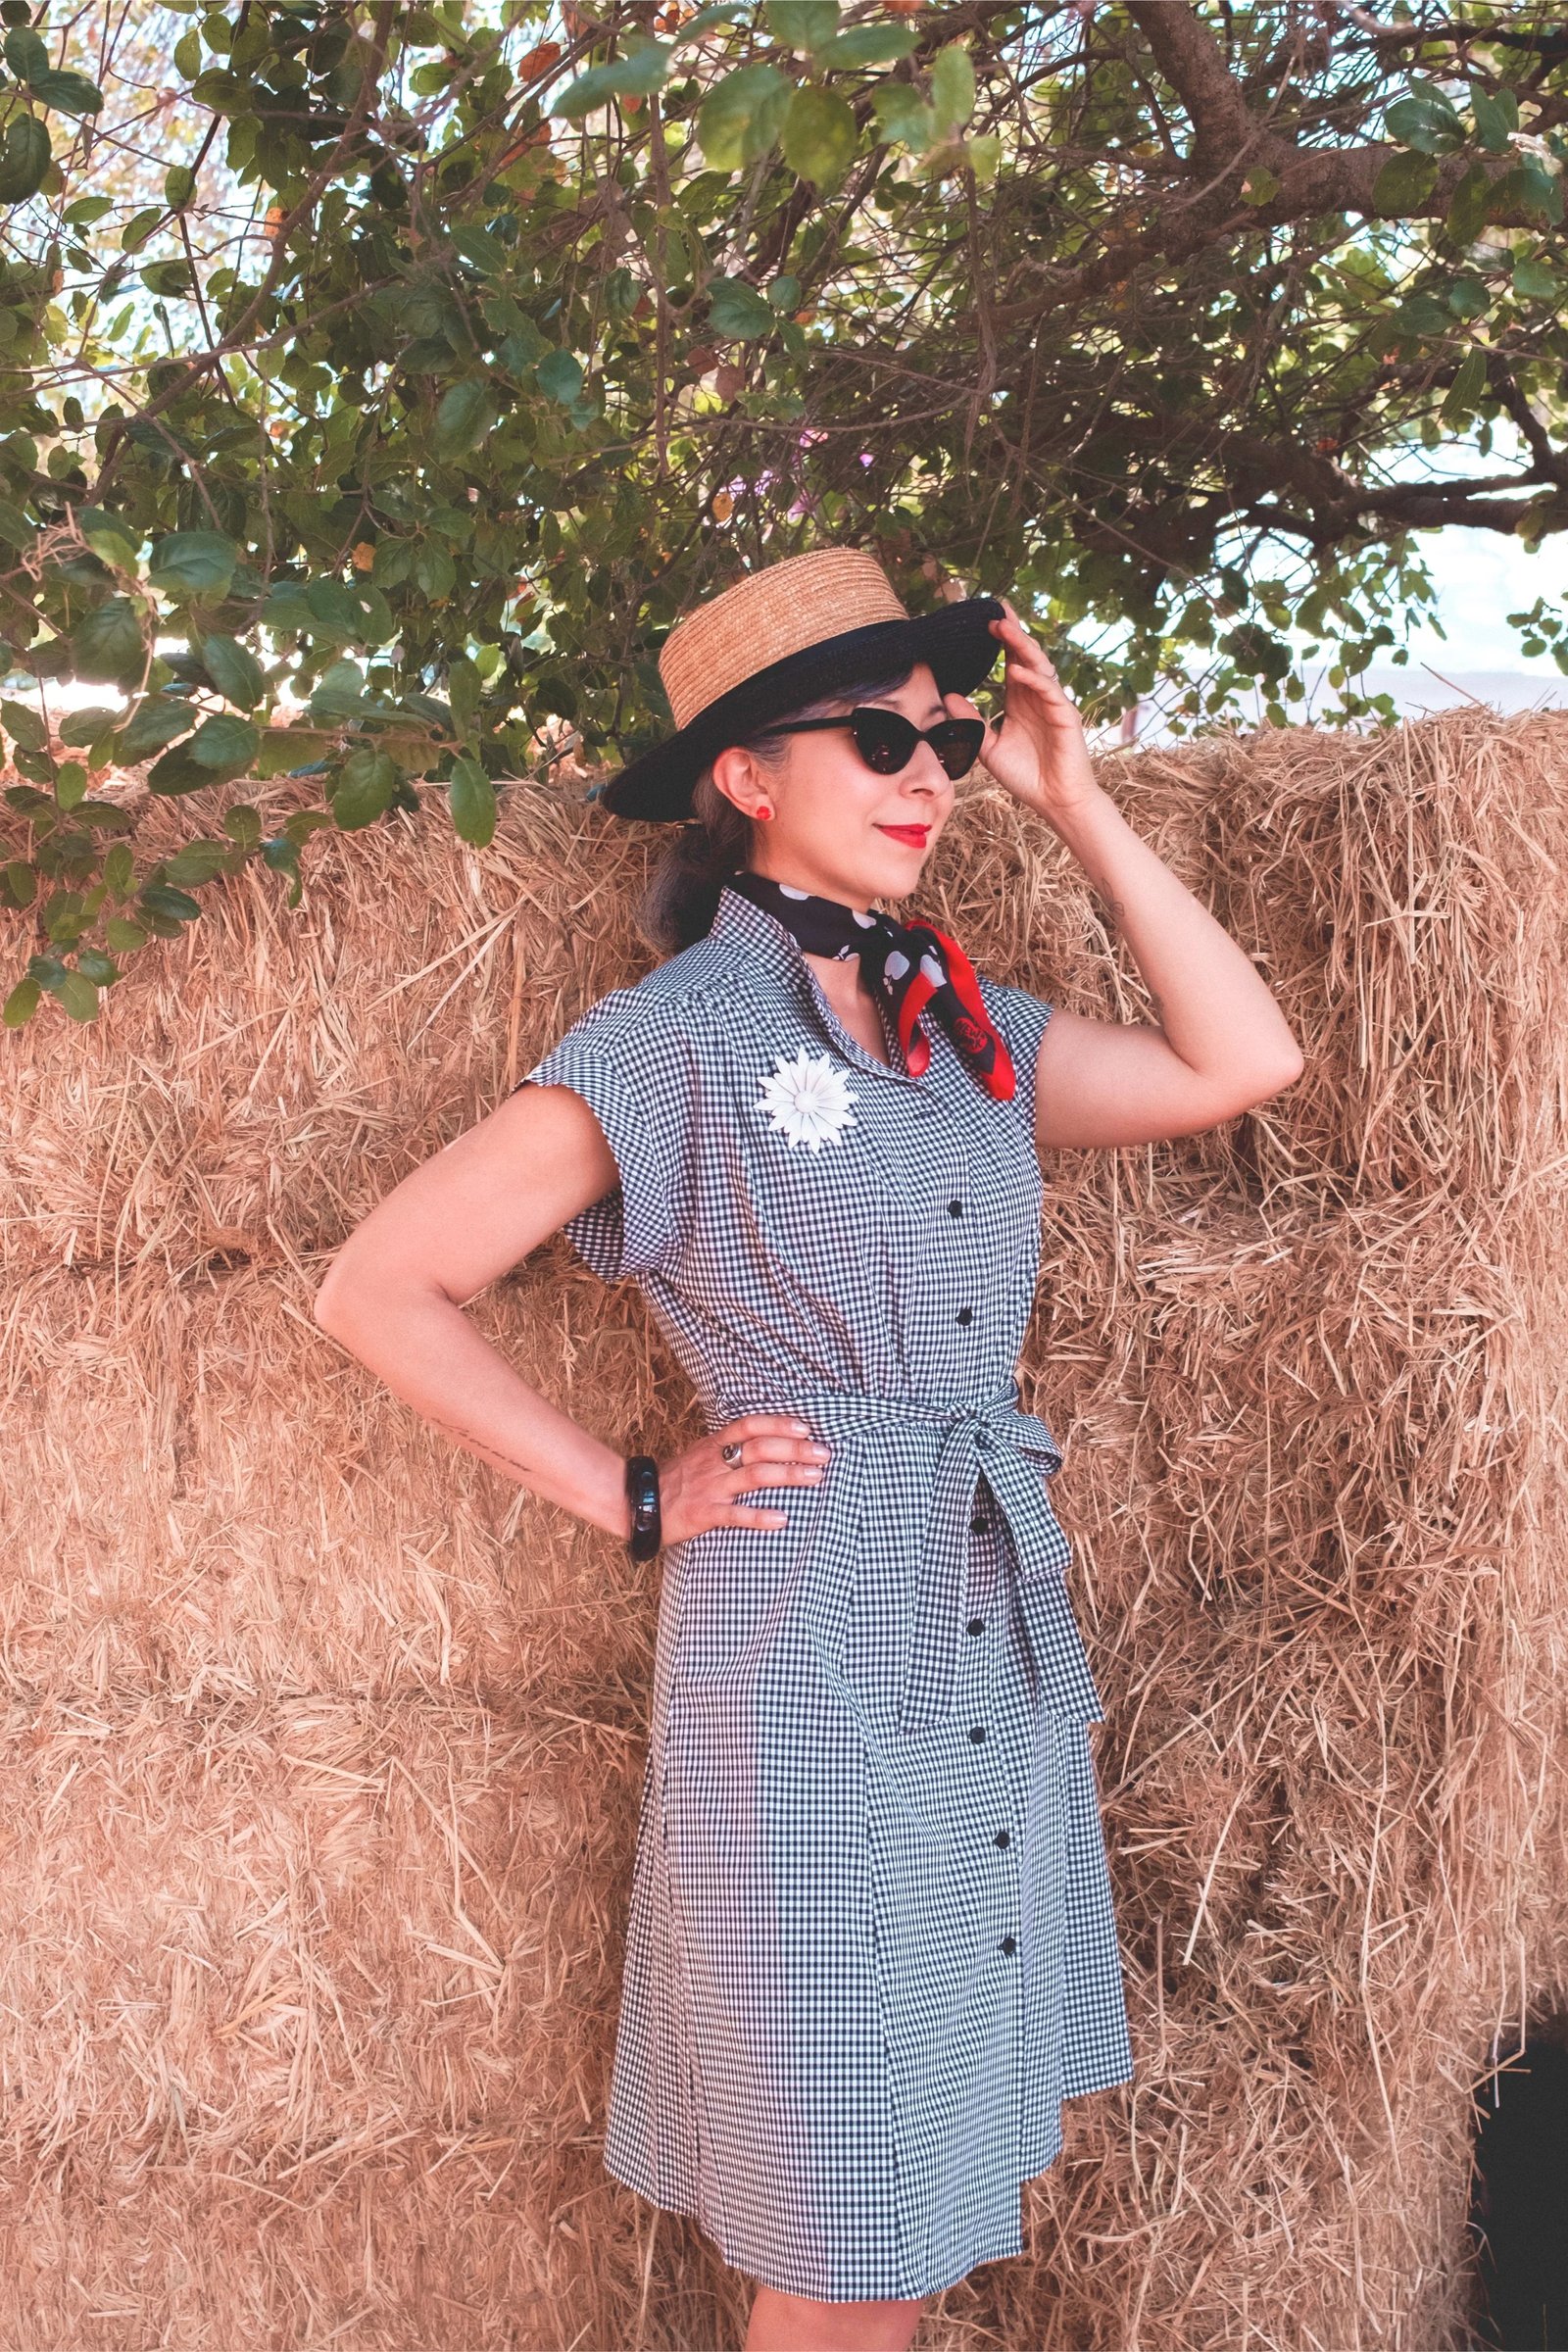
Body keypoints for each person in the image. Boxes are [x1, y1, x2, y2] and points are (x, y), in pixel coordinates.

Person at [313, 546, 1303, 2352]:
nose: (929, 773)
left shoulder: (963, 1032)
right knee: (848, 2231)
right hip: (808, 1661)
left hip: (981, 1636)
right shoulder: (673, 1041)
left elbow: (1240, 1060)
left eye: (942, 736)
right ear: (748, 780)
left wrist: (1074, 798)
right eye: (877, 736)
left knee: (911, 2207)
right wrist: (630, 1492)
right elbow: (382, 1288)